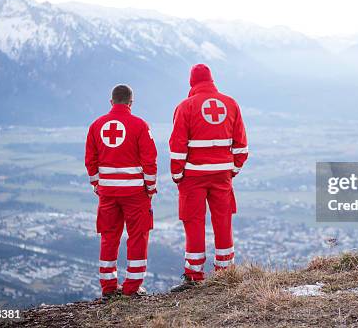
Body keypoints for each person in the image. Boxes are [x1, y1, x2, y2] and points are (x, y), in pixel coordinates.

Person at [169, 64, 248, 291]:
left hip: (193, 176)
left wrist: (177, 174)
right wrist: (232, 170)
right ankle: (226, 271)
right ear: (212, 80)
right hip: (222, 175)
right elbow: (241, 145)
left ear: (191, 83)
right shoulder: (231, 104)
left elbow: (177, 146)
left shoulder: (185, 106)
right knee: (223, 220)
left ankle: (194, 274)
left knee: (193, 222)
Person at [84, 84, 157, 298]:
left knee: (108, 236)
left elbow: (90, 160)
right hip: (135, 193)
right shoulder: (140, 125)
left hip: (107, 193)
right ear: (131, 103)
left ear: (111, 102)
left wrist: (98, 184)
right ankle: (132, 287)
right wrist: (150, 188)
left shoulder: (96, 126)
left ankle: (108, 286)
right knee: (138, 236)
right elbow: (149, 160)